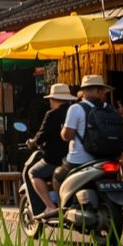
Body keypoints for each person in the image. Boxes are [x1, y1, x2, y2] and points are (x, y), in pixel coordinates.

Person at [27, 83, 76, 219]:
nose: (49, 103)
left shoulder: (52, 115)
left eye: (50, 100)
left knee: (33, 172)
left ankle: (49, 206)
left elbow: (41, 136)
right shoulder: (74, 112)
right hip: (72, 159)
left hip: (54, 159)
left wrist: (32, 142)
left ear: (53, 99)